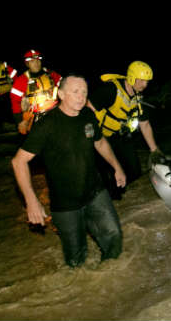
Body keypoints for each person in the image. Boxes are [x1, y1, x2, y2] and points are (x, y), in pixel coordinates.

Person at [11, 74, 126, 268]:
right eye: (75, 92)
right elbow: (18, 162)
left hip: (94, 191)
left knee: (114, 237)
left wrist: (117, 167)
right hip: (65, 204)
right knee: (76, 260)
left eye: (84, 92)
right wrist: (31, 201)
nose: (81, 97)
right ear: (61, 94)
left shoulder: (88, 115)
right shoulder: (47, 125)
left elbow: (100, 142)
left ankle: (111, 283)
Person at [88, 61, 164, 200]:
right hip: (100, 138)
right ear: (131, 77)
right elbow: (87, 109)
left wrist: (154, 150)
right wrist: (90, 135)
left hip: (120, 135)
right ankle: (111, 199)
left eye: (147, 81)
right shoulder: (110, 90)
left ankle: (122, 192)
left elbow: (145, 124)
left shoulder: (138, 96)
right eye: (141, 81)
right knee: (108, 176)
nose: (144, 85)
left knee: (134, 171)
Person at [10, 50, 62, 134]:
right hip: (34, 117)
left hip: (54, 112)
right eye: (32, 61)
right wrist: (20, 121)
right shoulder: (21, 81)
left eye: (38, 60)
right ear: (27, 64)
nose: (36, 63)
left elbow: (65, 87)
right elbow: (15, 103)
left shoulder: (50, 74)